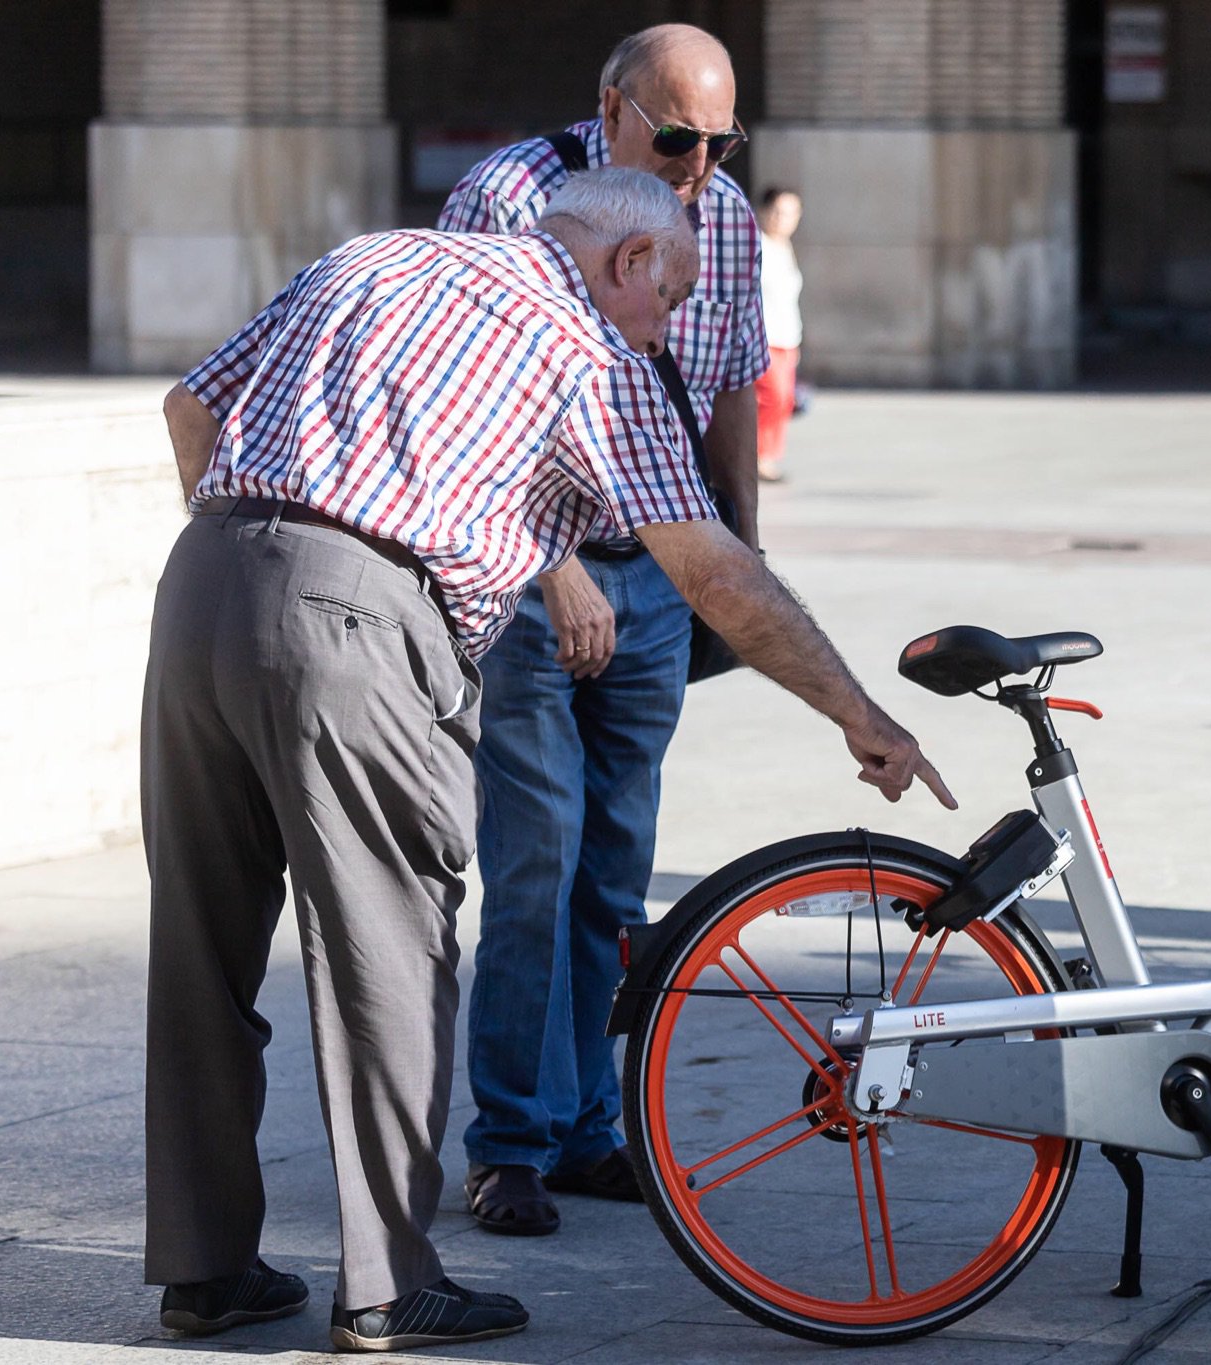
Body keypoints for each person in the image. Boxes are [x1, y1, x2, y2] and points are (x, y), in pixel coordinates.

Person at [143, 167, 953, 1352]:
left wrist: (261, 561)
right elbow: (715, 573)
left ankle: (205, 1272)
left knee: (200, 954)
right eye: (670, 298)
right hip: (362, 618)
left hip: (205, 582)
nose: (667, 328)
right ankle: (383, 1287)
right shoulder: (592, 355)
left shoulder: (373, 256)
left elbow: (188, 407)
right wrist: (858, 713)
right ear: (627, 264)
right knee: (387, 954)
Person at [435, 24, 768, 1236]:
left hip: (660, 576)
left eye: (722, 140)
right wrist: (555, 563)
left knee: (615, 875)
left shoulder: (722, 212)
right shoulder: (511, 197)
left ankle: (586, 1128)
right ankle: (509, 1141)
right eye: (676, 137)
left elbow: (732, 375)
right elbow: (468, 397)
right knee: (535, 858)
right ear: (610, 108)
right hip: (536, 578)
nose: (698, 163)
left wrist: (740, 551)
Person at [755, 186, 804, 483]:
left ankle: (769, 455)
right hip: (765, 338)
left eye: (790, 213)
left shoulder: (786, 248)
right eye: (778, 212)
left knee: (784, 402)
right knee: (774, 397)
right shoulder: (758, 246)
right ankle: (760, 456)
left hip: (787, 337)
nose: (783, 219)